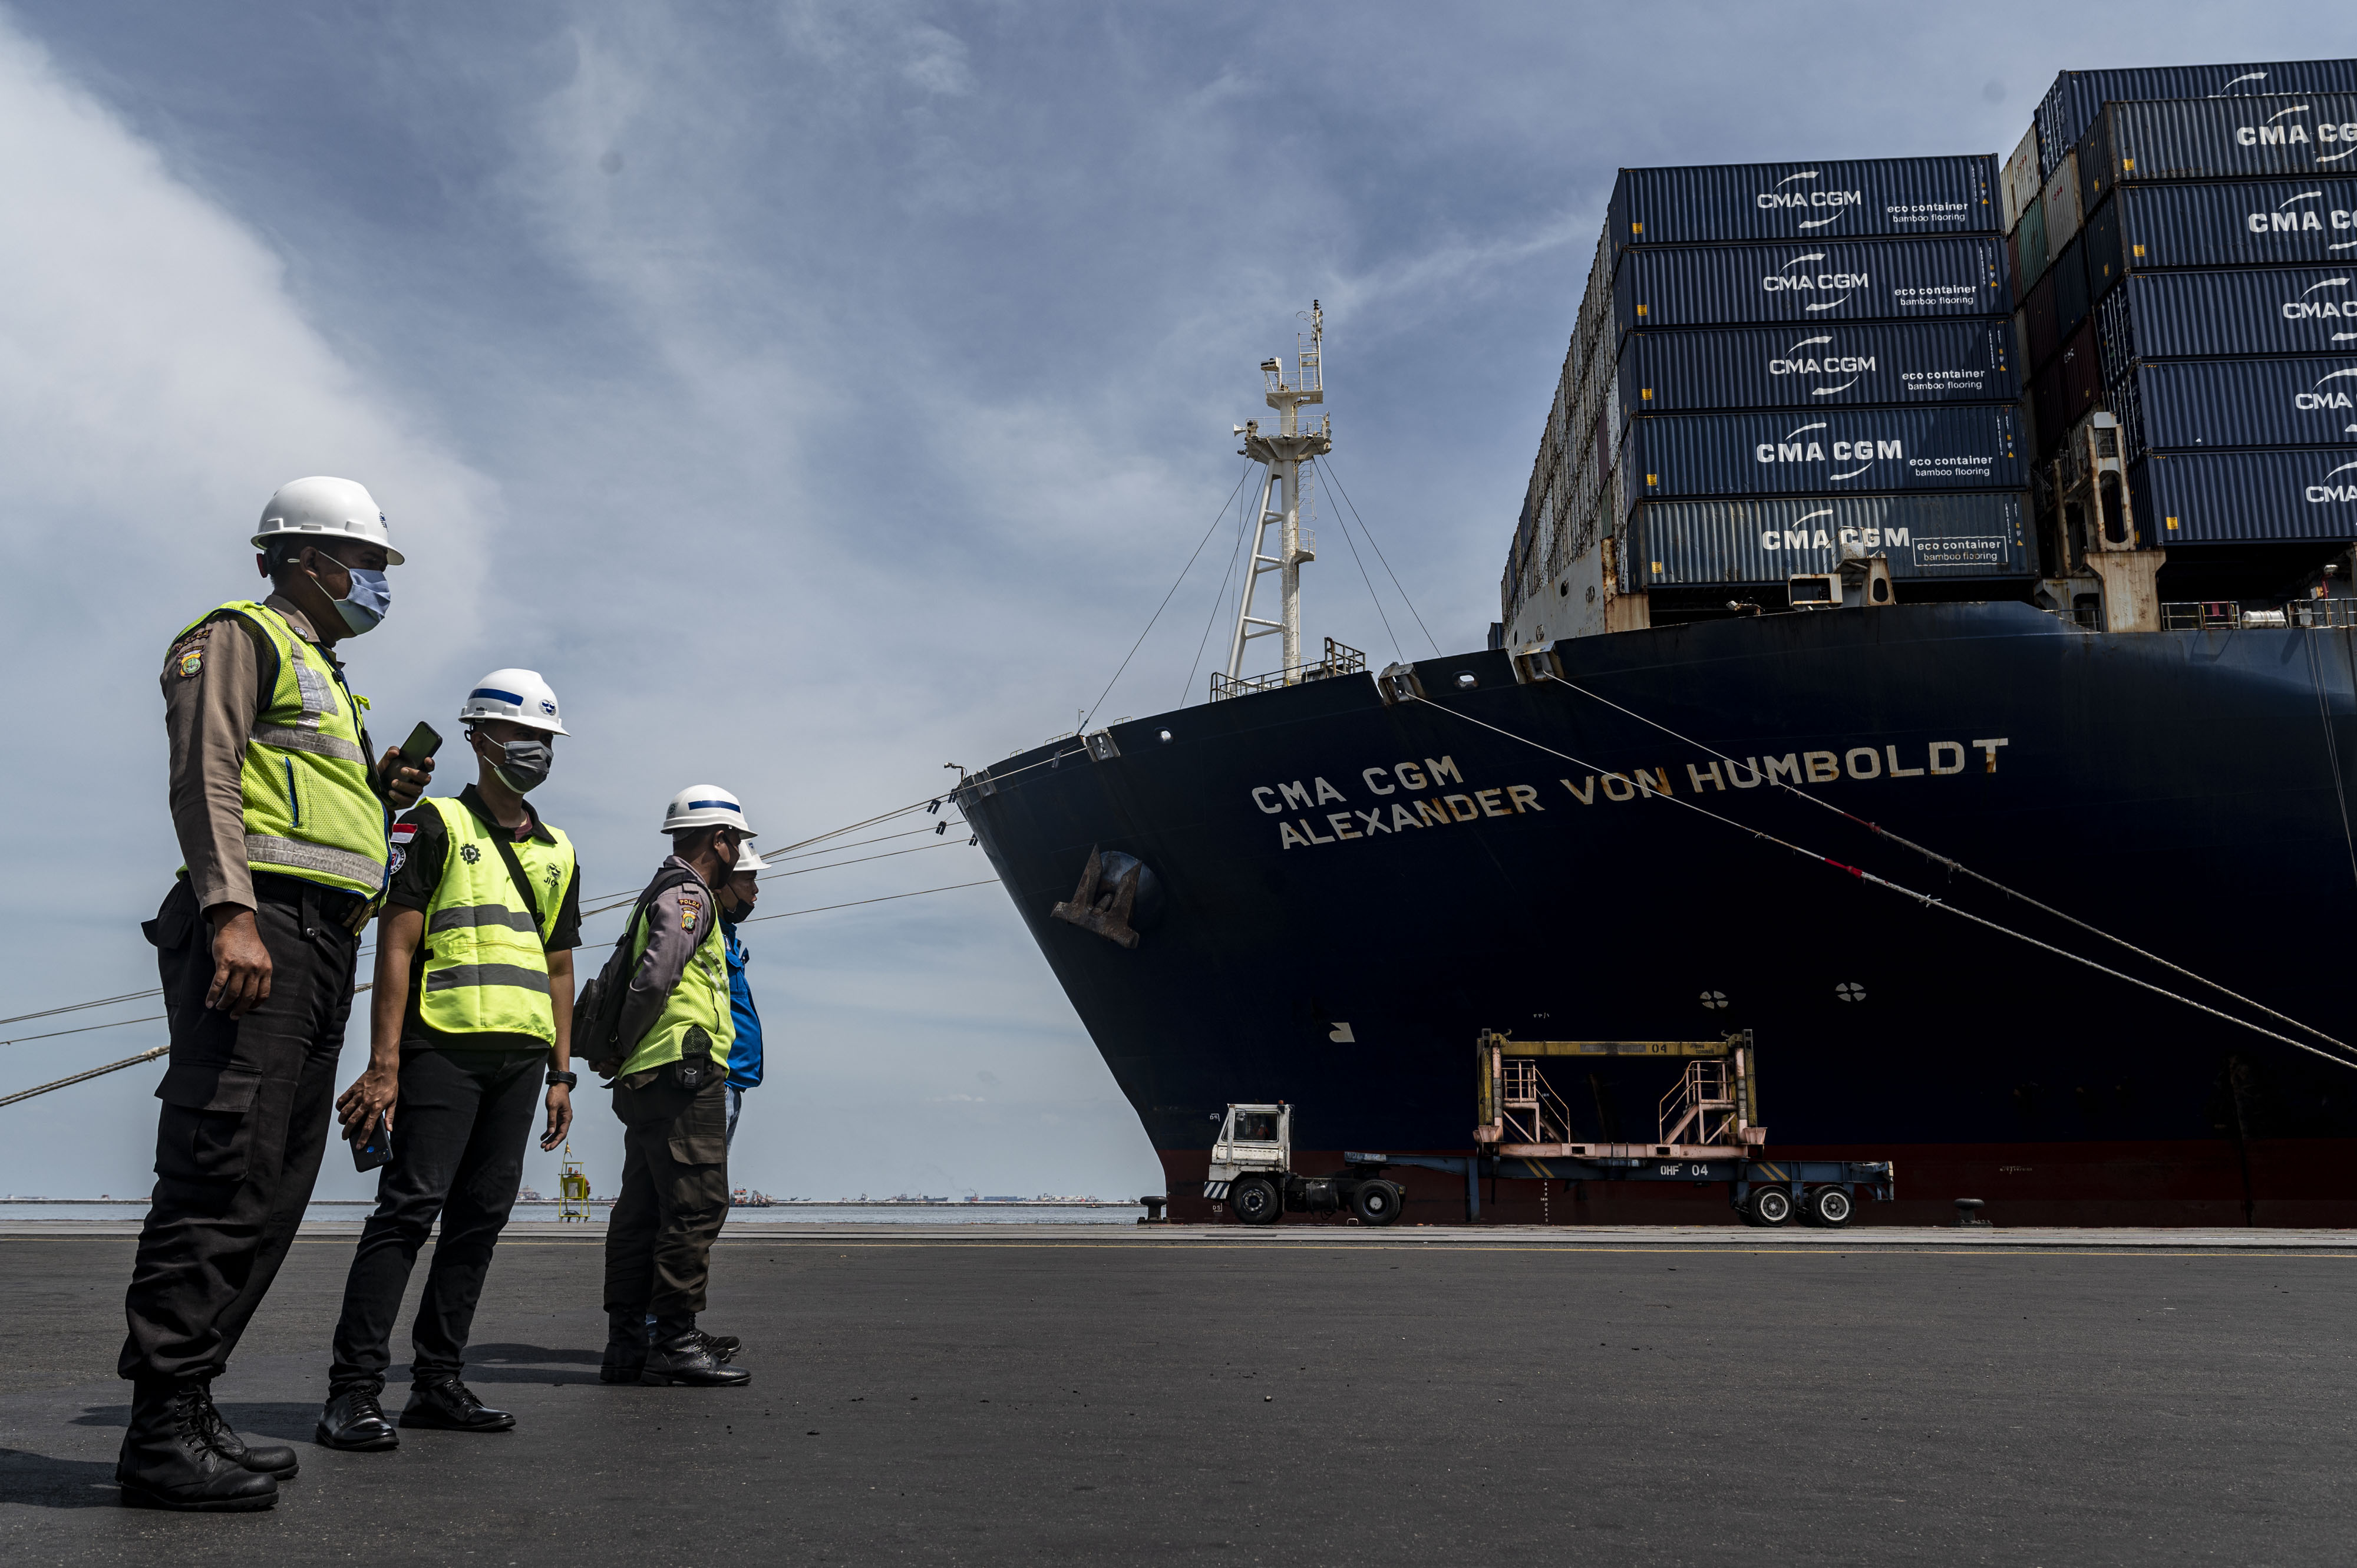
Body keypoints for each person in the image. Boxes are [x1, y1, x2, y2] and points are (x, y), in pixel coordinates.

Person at [118, 477, 431, 1511]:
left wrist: (379, 792)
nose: (377, 582)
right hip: (261, 931)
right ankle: (159, 1431)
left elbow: (297, 795)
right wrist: (229, 911)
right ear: (306, 557)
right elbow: (205, 773)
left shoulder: (330, 677)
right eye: (367, 562)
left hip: (319, 942)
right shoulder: (236, 635)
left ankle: (192, 1401)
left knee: (273, 1182)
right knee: (221, 1170)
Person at [314, 670, 583, 1452]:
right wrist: (384, 1065)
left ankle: (437, 1382)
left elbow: (559, 967)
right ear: (479, 738)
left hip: (521, 1060)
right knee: (407, 1211)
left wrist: (562, 1072)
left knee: (480, 1221)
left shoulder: (560, 849)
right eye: (521, 736)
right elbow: (396, 947)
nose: (535, 750)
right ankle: (352, 1393)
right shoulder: (433, 823)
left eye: (546, 739)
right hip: (441, 1047)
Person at [588, 787, 756, 1389]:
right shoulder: (689, 894)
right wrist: (626, 1041)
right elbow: (657, 977)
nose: (740, 853)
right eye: (738, 841)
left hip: (650, 1079)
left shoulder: (661, 890)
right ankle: (676, 1342)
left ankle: (626, 1345)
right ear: (720, 840)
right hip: (680, 1076)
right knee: (694, 1207)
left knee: (640, 1212)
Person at [716, 846, 768, 1147]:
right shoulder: (705, 932)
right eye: (749, 879)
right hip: (714, 1083)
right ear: (721, 882)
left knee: (714, 1172)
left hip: (729, 1084)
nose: (755, 890)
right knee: (701, 1173)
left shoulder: (727, 937)